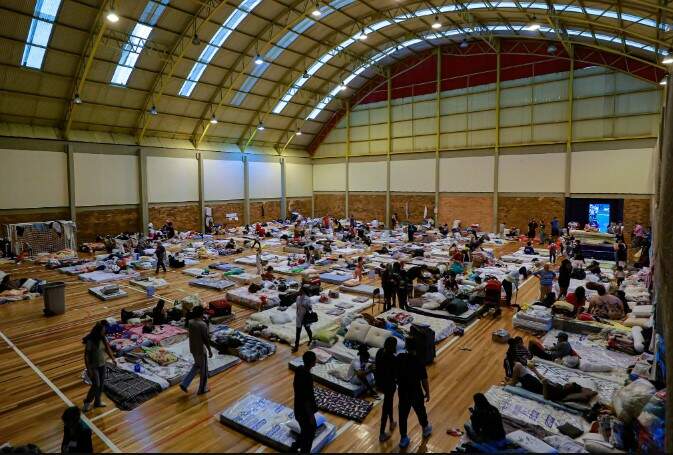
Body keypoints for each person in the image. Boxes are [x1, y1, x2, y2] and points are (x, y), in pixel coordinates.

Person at [396, 340, 432, 449]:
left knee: (403, 415)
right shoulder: (419, 361)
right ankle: (425, 428)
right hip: (415, 391)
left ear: (406, 346)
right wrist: (427, 393)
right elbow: (424, 380)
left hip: (403, 391)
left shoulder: (400, 358)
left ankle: (403, 438)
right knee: (420, 410)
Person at [82, 321, 117, 412]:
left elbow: (107, 349)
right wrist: (89, 369)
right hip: (94, 367)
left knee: (101, 385)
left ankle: (97, 402)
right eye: (103, 330)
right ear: (98, 331)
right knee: (96, 385)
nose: (104, 332)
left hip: (102, 364)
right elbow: (86, 356)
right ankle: (87, 402)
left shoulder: (103, 338)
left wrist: (113, 358)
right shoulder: (90, 342)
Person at [179, 306, 213, 395]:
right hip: (200, 350)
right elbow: (206, 339)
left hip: (193, 348)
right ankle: (202, 389)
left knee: (197, 365)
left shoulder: (190, 322)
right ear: (201, 314)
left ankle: (185, 383)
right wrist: (209, 350)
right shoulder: (202, 324)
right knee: (204, 370)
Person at [293, 351, 317, 454]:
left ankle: (295, 447)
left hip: (297, 407)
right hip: (304, 412)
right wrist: (311, 417)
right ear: (313, 362)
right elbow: (306, 400)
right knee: (309, 433)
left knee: (304, 430)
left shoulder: (299, 369)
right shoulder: (308, 377)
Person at [375, 337, 398, 442]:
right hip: (389, 385)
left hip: (380, 383)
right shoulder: (393, 358)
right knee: (386, 407)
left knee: (389, 403)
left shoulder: (379, 352)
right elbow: (395, 374)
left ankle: (392, 421)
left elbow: (376, 367)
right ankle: (381, 433)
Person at [293, 285, 314, 352]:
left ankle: (310, 339)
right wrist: (297, 313)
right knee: (298, 332)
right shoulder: (298, 297)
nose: (299, 291)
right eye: (299, 290)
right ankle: (296, 347)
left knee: (308, 329)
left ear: (304, 292)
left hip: (306, 317)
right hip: (299, 317)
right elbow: (297, 307)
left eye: (301, 291)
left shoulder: (308, 299)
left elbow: (310, 309)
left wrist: (305, 306)